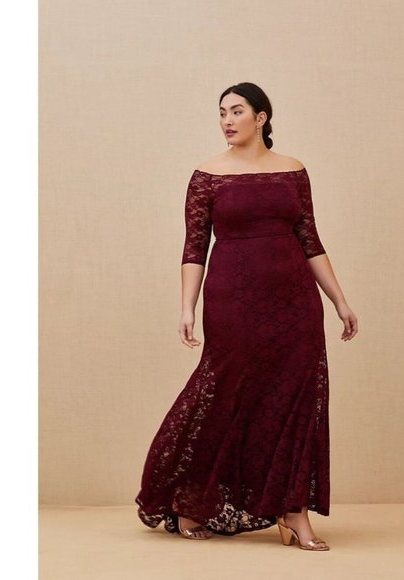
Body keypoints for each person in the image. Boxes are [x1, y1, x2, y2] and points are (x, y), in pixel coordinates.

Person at [135, 82, 358, 551]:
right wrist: (187, 306)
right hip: (232, 299)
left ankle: (293, 512)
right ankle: (190, 498)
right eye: (222, 113)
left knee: (296, 399)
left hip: (295, 302)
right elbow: (195, 246)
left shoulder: (293, 170)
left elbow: (310, 240)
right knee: (225, 392)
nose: (227, 121)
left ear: (261, 118)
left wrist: (339, 300)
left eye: (236, 111)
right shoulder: (207, 175)